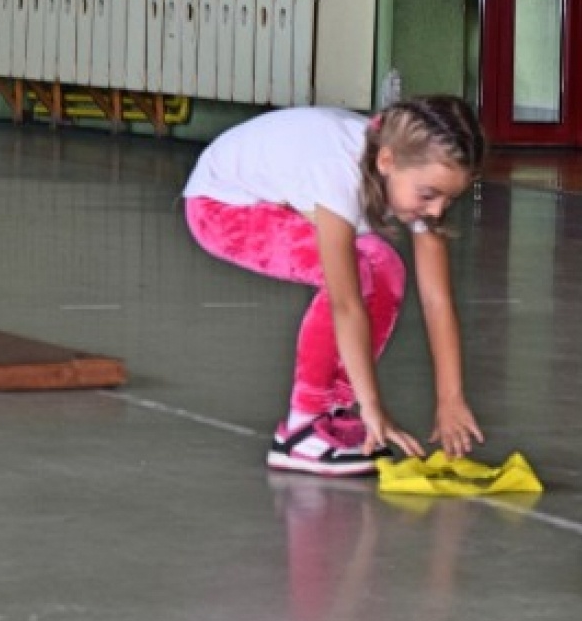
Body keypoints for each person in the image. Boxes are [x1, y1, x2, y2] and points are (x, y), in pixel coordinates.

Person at [183, 96, 486, 477]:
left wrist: (451, 398)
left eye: (449, 198)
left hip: (281, 198)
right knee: (353, 274)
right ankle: (302, 427)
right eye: (429, 195)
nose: (438, 210)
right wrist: (372, 404)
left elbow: (437, 299)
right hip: (220, 207)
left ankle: (332, 408)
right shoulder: (339, 172)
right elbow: (346, 302)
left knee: (386, 266)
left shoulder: (409, 175)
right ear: (387, 162)